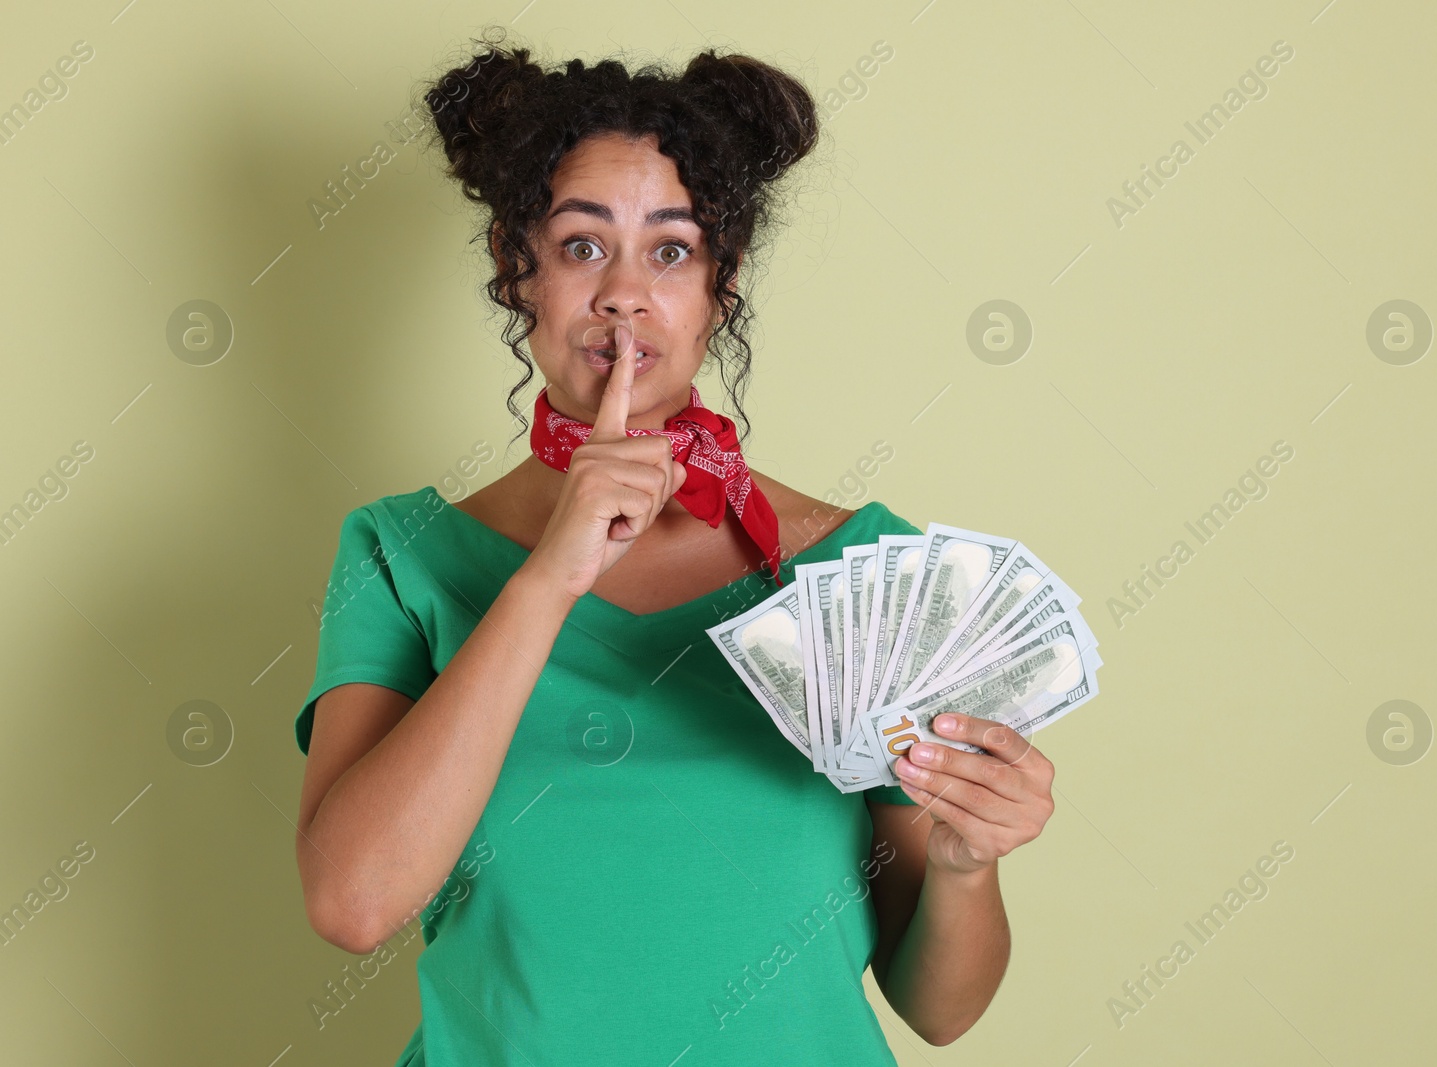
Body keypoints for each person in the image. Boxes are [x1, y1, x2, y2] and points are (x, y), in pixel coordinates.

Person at [293, 31, 1057, 1065]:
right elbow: (353, 900)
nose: (621, 292)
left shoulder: (862, 566)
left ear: (719, 286)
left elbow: (941, 1009)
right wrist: (552, 574)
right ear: (515, 270)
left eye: (670, 249)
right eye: (578, 245)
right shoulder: (401, 552)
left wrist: (968, 862)